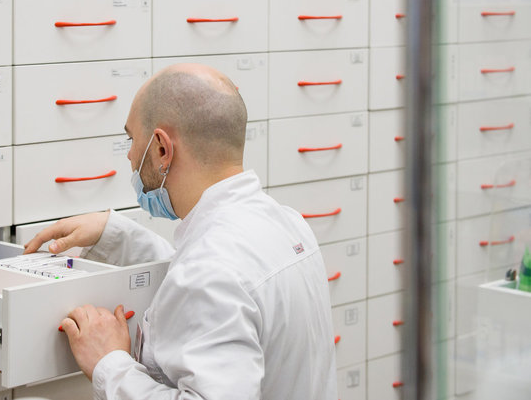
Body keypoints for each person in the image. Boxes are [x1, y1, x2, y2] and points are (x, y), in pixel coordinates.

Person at [24, 63, 337, 399]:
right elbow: (212, 282)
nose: (129, 155)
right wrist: (115, 234)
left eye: (132, 139)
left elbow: (208, 281)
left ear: (162, 148)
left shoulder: (212, 269)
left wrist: (109, 365)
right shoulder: (288, 224)